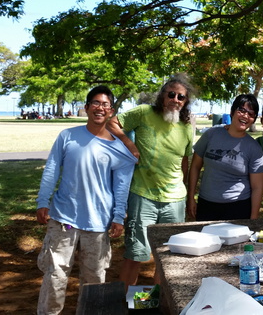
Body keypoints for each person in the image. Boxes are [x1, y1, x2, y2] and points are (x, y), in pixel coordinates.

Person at [35, 85, 137, 315]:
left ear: (111, 111)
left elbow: (122, 187)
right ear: (87, 107)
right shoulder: (68, 136)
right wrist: (43, 202)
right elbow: (51, 169)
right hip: (64, 220)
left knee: (94, 283)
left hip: (98, 224)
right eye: (96, 103)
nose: (100, 108)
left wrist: (118, 216)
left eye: (105, 105)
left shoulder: (118, 149)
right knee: (55, 277)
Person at [108, 74, 196, 288]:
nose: (175, 100)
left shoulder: (186, 127)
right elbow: (112, 123)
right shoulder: (144, 113)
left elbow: (184, 160)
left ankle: (159, 303)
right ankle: (122, 305)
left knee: (167, 255)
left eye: (181, 97)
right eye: (171, 94)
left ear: (185, 102)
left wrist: (186, 192)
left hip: (175, 200)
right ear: (162, 96)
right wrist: (130, 144)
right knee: (136, 254)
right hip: (143, 196)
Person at [187, 94, 263, 221]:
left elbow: (257, 187)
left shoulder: (254, 148)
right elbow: (195, 166)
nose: (245, 116)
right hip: (206, 204)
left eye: (251, 114)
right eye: (242, 110)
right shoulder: (211, 134)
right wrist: (190, 197)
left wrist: (253, 218)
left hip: (237, 208)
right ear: (232, 111)